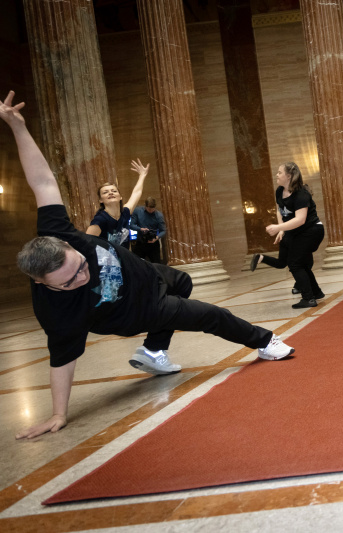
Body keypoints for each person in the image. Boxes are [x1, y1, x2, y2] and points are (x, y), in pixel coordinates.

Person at [0, 91, 295, 440]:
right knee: (207, 315)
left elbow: (43, 181)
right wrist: (58, 414)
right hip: (137, 309)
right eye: (68, 283)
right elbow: (62, 359)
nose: (82, 278)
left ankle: (154, 351)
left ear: (66, 243)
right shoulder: (56, 312)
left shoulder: (56, 230)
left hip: (146, 274)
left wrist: (17, 127)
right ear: (41, 283)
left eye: (80, 266)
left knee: (183, 281)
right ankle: (266, 342)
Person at [256, 162, 325, 309]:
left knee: (295, 263)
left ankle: (309, 299)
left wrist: (278, 227)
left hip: (311, 231)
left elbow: (300, 220)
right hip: (297, 232)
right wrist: (282, 230)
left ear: (289, 176)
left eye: (280, 172)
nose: (277, 175)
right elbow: (280, 210)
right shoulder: (279, 191)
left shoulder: (301, 194)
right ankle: (316, 293)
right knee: (302, 264)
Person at [85, 159, 149, 249]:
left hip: (124, 260)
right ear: (100, 200)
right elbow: (86, 245)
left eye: (114, 191)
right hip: (106, 262)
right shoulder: (100, 220)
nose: (110, 193)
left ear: (120, 197)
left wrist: (142, 175)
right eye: (105, 192)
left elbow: (136, 193)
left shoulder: (125, 213)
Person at [130, 196, 166, 263]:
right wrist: (140, 229)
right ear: (145, 206)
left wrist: (157, 237)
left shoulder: (159, 215)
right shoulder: (138, 211)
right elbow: (131, 225)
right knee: (137, 263)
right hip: (140, 242)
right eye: (149, 209)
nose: (151, 211)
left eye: (153, 209)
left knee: (156, 264)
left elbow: (163, 230)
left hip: (153, 243)